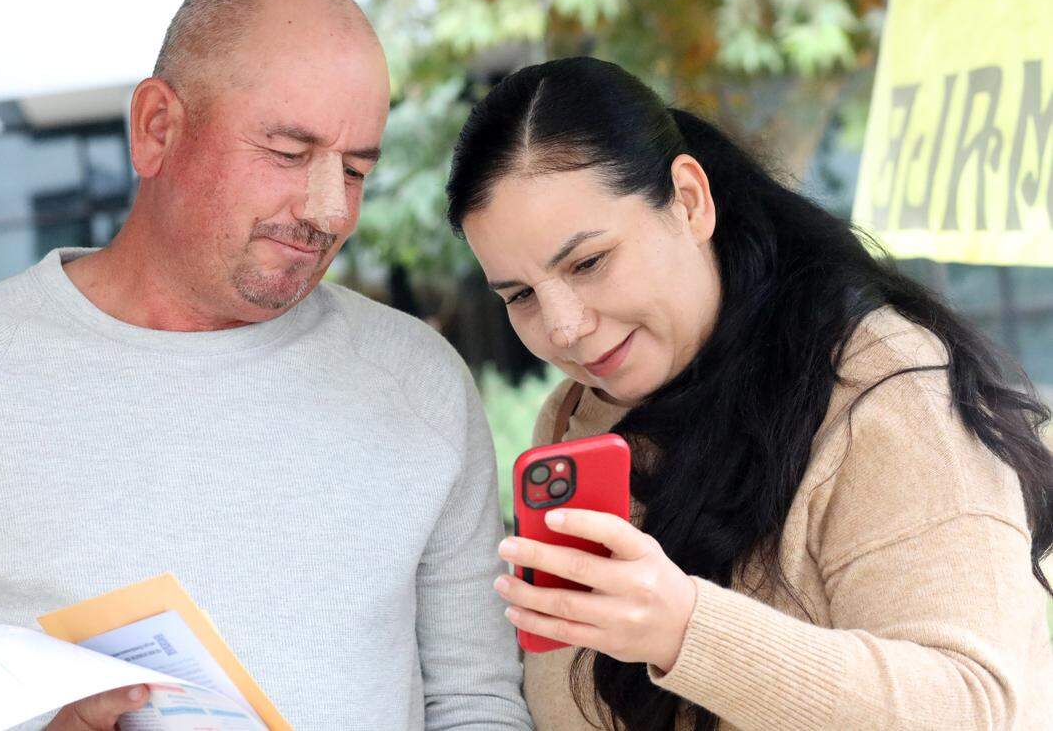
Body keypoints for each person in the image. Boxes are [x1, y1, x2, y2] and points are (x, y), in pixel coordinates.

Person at [0, 0, 531, 729]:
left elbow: (477, 703)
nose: (329, 209)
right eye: (286, 150)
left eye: (356, 169)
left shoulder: (421, 384)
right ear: (157, 128)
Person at [445, 56, 1053, 730]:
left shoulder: (888, 393)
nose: (564, 327)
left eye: (588, 262)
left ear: (690, 200)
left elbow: (972, 706)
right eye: (521, 295)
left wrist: (686, 629)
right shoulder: (575, 419)